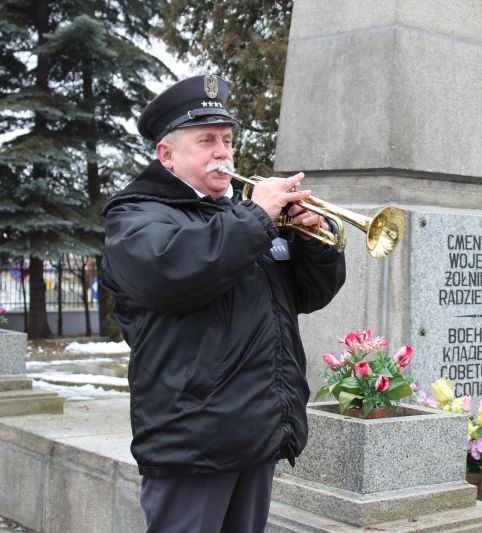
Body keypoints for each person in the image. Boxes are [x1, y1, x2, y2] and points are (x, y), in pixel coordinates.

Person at [99, 74, 346, 532]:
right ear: (166, 154)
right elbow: (173, 273)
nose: (223, 152)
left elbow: (310, 295)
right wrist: (255, 218)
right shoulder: (136, 215)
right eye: (206, 140)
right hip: (191, 440)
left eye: (228, 141)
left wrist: (313, 239)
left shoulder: (242, 217)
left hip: (258, 430)